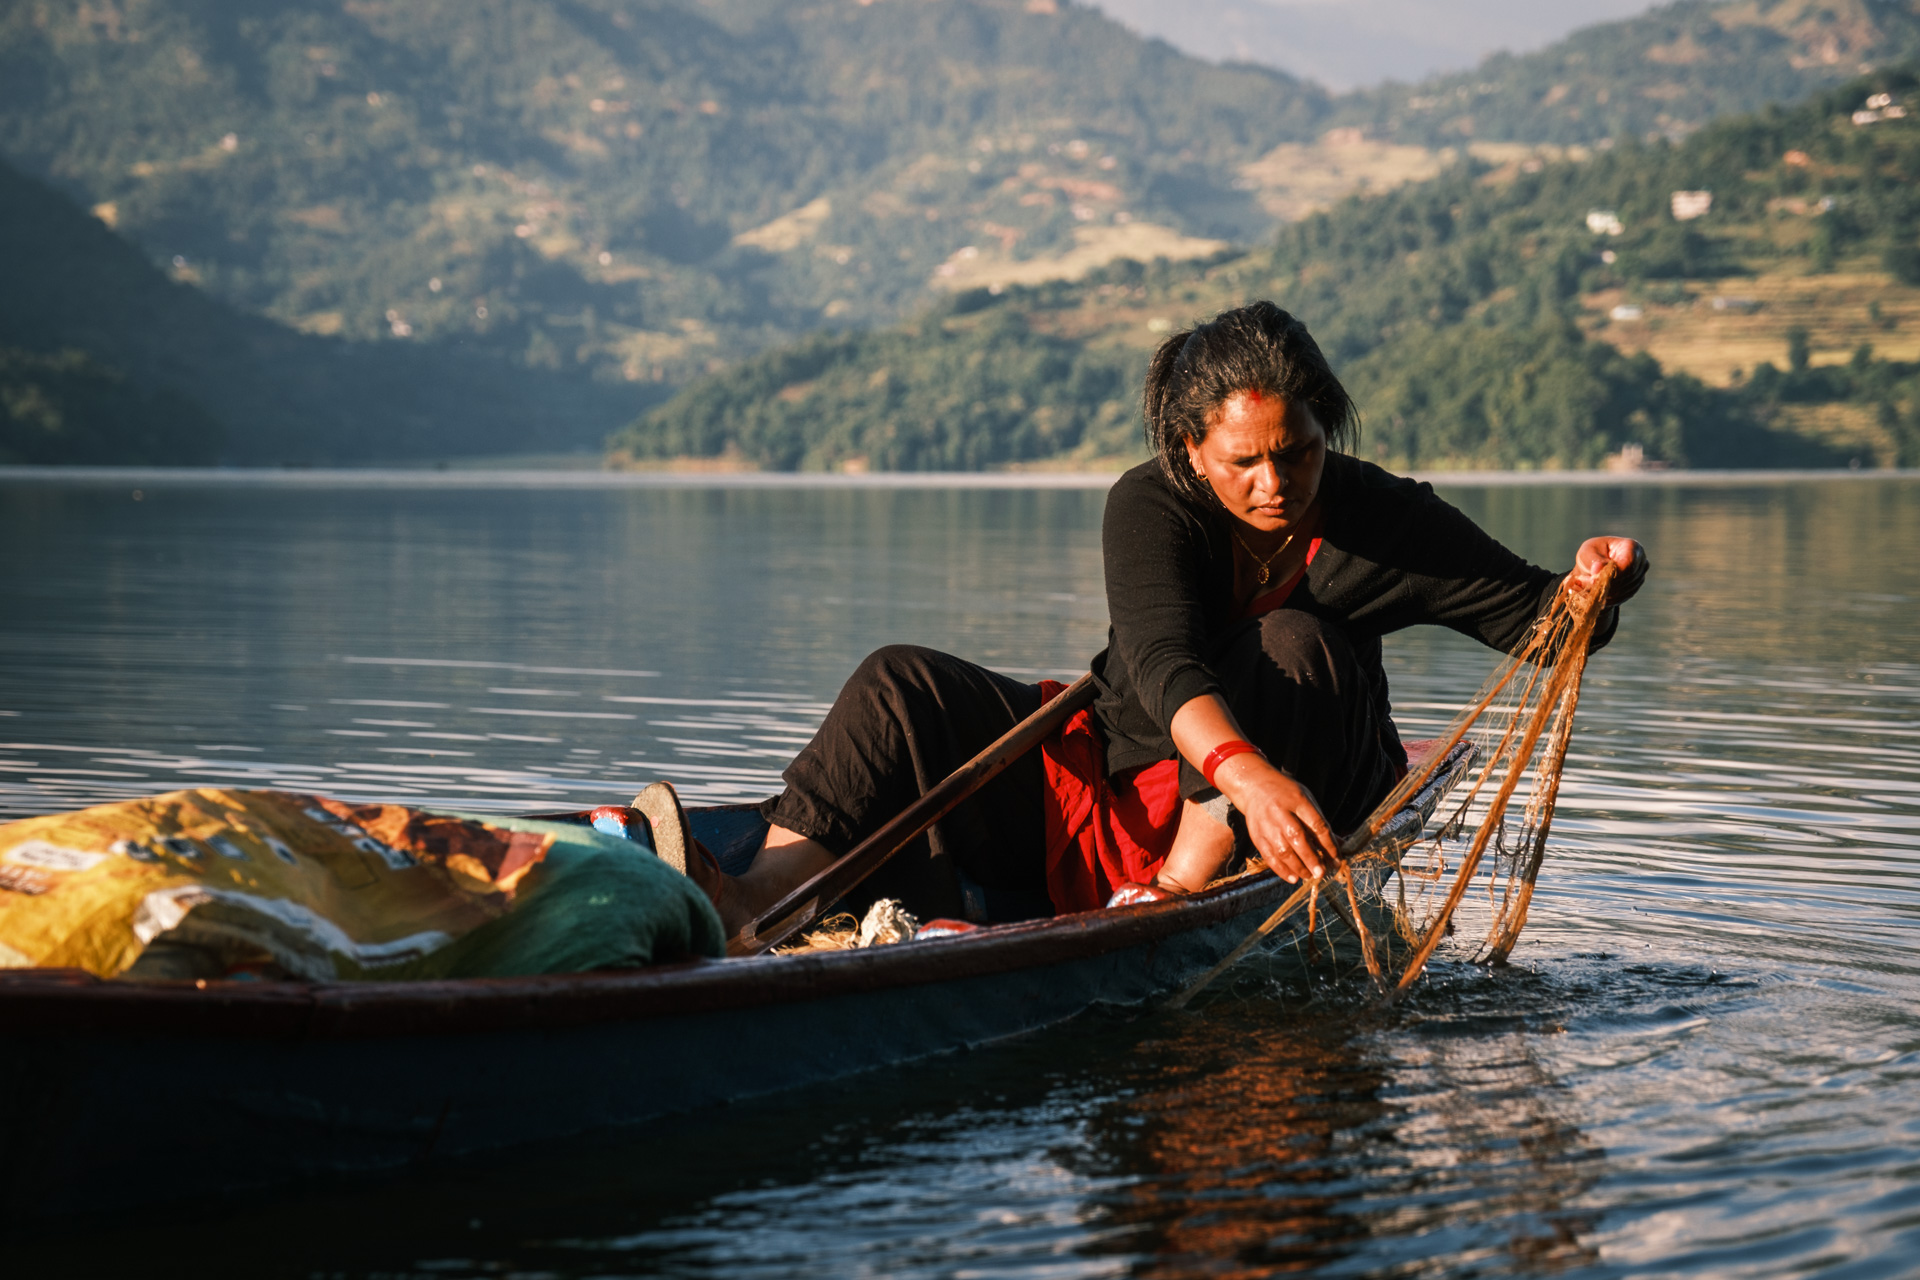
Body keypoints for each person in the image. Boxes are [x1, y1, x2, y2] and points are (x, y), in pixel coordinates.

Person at [676, 302, 1648, 939]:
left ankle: (1176, 899)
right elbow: (1163, 657)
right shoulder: (1151, 504)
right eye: (1244, 462)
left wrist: (1600, 578)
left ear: (1324, 431)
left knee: (1294, 644)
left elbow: (1547, 623)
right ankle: (762, 898)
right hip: (1125, 769)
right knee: (902, 684)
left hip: (1291, 800)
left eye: (1300, 453)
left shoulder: (1381, 518)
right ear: (1192, 450)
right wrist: (1244, 771)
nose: (1276, 484)